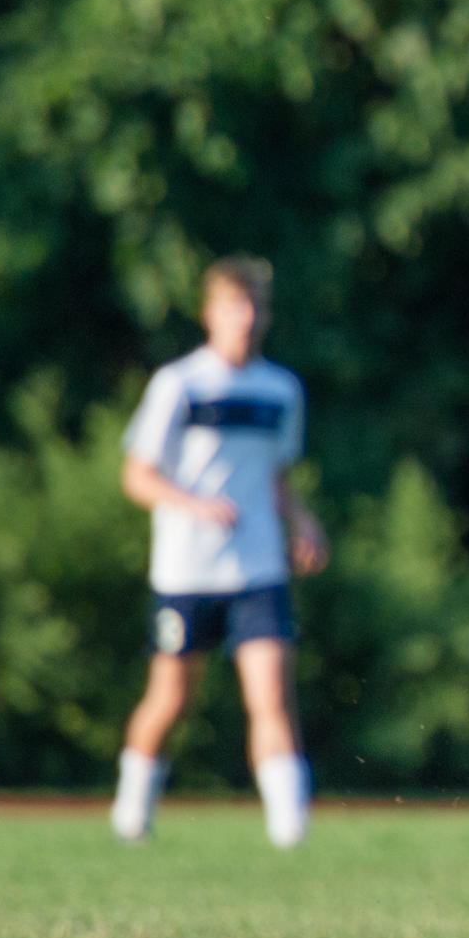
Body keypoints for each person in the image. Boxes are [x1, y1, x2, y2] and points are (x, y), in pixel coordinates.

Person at [108, 256, 326, 848]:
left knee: (272, 694)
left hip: (257, 566)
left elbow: (276, 476)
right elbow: (137, 476)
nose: (246, 318)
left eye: (255, 306)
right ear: (210, 313)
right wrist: (194, 504)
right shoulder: (180, 384)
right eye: (234, 305)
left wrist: (303, 522)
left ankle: (290, 830)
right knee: (171, 697)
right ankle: (133, 809)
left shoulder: (281, 390)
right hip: (187, 569)